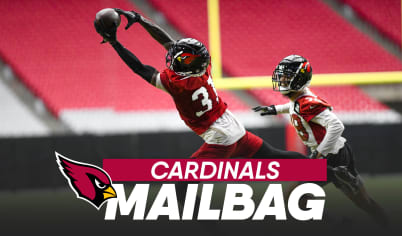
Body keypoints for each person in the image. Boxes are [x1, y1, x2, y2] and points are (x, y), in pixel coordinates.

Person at [94, 9, 307, 160]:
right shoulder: (203, 67)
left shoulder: (176, 83)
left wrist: (115, 42)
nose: (175, 56)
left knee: (181, 184)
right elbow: (170, 44)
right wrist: (140, 19)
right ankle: (328, 172)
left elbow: (140, 68)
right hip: (232, 125)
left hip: (219, 137)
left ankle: (211, 225)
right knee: (273, 155)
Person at [253, 55, 389, 226]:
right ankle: (374, 224)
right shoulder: (300, 99)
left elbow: (337, 126)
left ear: (299, 79)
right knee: (363, 202)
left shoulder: (307, 103)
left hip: (331, 156)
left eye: (287, 77)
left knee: (294, 197)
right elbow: (294, 108)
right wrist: (275, 109)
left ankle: (343, 223)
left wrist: (319, 153)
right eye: (282, 76)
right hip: (334, 152)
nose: (282, 80)